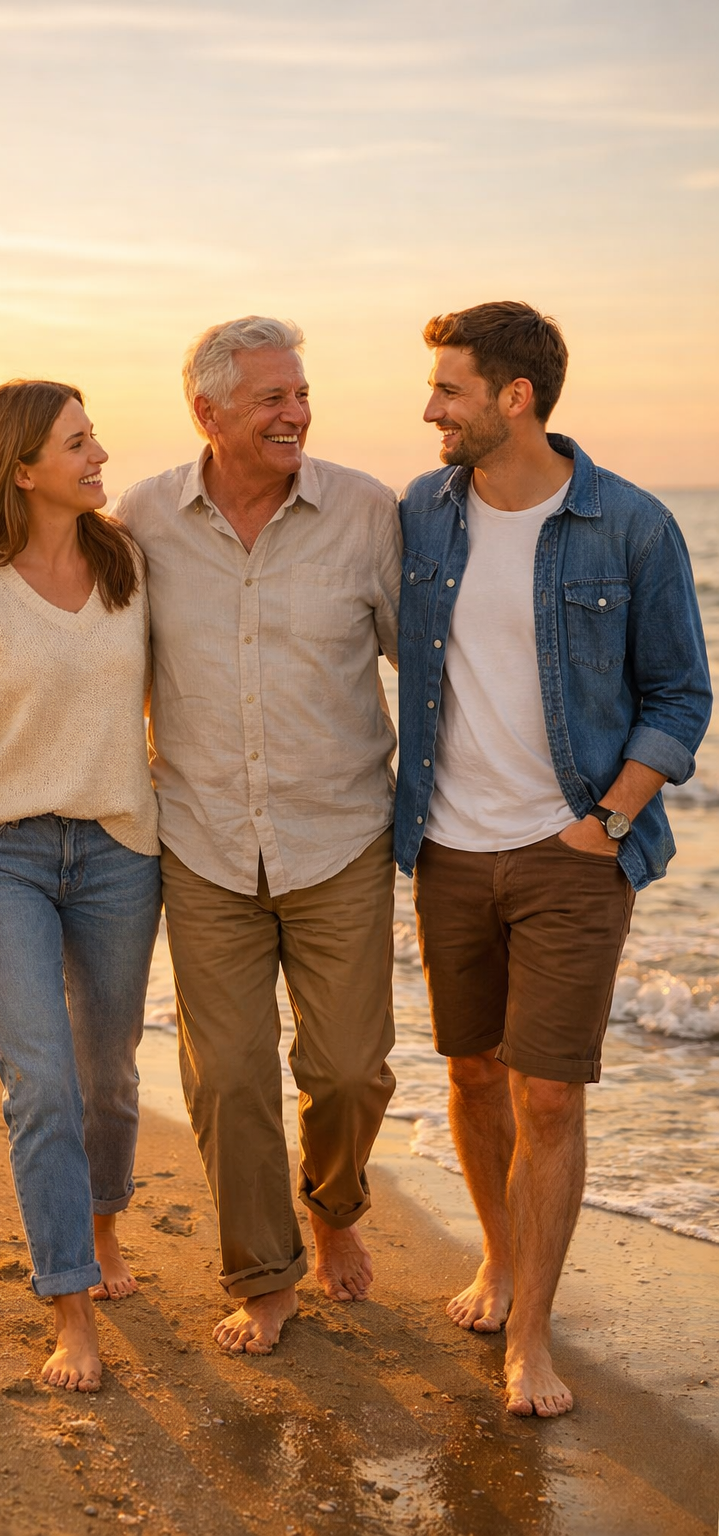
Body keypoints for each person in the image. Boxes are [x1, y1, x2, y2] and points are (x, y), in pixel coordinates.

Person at [0, 317, 403, 1357]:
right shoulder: (98, 539)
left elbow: (431, 656)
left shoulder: (309, 521)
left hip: (239, 843)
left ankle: (296, 1209)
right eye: (269, 398)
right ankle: (184, 1288)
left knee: (299, 1072)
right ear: (207, 412)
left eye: (299, 393)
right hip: (115, 850)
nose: (294, 413)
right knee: (150, 1078)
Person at [394, 301, 712, 1417]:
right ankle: (500, 1258)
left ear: (512, 398)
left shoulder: (628, 525)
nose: (429, 409)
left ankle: (530, 1333)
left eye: (448, 389)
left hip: (574, 850)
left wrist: (610, 817)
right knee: (473, 1073)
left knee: (550, 1100)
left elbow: (681, 693)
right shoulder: (419, 519)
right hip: (445, 848)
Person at [0, 380, 161, 1394]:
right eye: (78, 443)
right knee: (39, 1083)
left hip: (116, 852)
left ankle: (102, 1229)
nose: (100, 456)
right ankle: (68, 1307)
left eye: (95, 438)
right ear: (21, 469)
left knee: (108, 1077)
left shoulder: (128, 560)